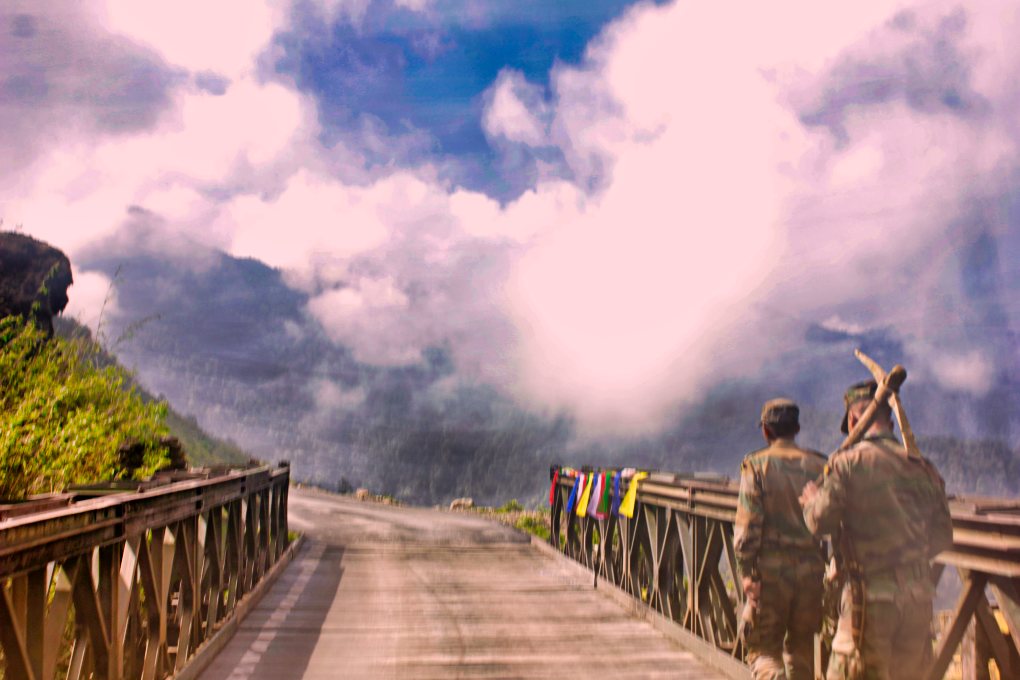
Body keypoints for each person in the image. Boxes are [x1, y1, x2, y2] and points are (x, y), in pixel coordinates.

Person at [800, 380, 953, 680]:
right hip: (917, 601)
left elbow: (819, 523)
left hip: (867, 604)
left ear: (854, 420)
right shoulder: (924, 467)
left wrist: (811, 501)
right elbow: (943, 536)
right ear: (891, 421)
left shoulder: (848, 465)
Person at [734, 398, 827, 680]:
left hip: (770, 576)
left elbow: (748, 525)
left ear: (766, 431)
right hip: (812, 573)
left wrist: (747, 572)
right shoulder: (820, 465)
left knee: (763, 652)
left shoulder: (756, 465)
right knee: (802, 655)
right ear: (797, 428)